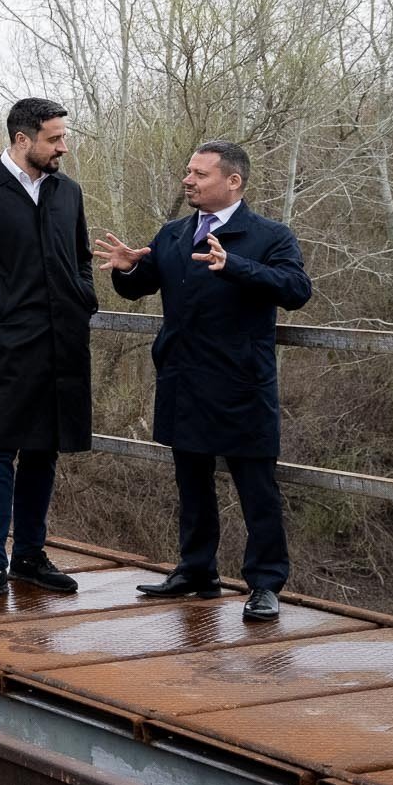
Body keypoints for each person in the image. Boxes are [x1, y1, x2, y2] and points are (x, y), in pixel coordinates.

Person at [97, 140, 313, 623]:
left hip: (242, 384)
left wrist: (233, 266)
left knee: (257, 489)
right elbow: (141, 285)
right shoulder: (174, 234)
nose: (188, 180)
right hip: (182, 378)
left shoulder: (269, 235)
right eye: (188, 172)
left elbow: (296, 290)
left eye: (200, 174)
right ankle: (197, 571)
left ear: (233, 181)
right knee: (191, 482)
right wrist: (127, 267)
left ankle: (264, 584)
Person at [0, 98, 95, 603]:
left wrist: (82, 298)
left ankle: (29, 554)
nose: (62, 147)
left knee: (44, 450)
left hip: (60, 343)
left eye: (62, 137)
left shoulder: (67, 192)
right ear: (22, 140)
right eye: (54, 138)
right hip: (2, 342)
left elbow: (82, 257)